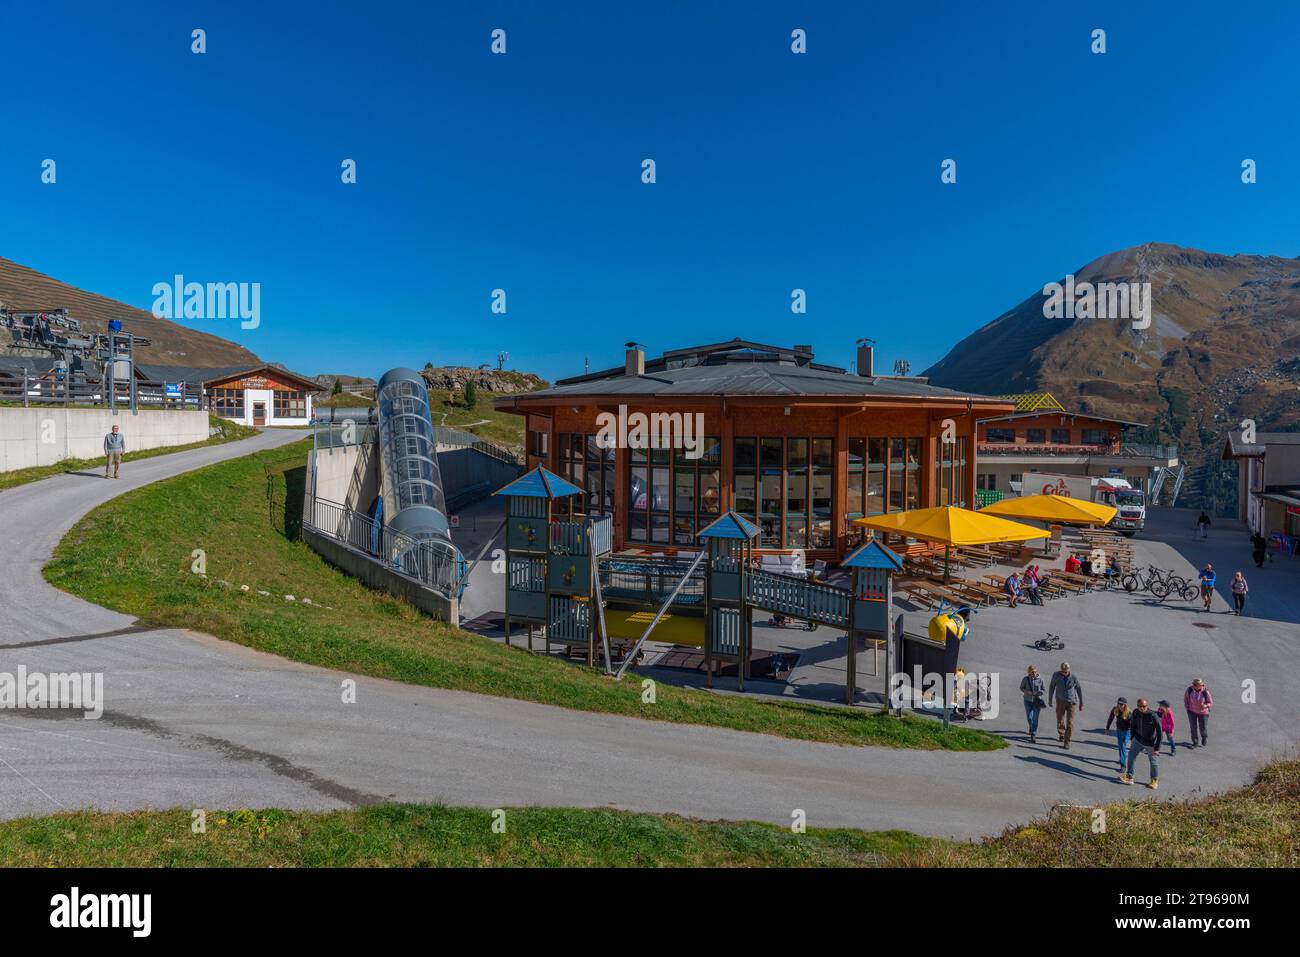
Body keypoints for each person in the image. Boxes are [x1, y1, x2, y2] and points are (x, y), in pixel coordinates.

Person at [1120, 697, 1161, 789]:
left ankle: (1154, 781)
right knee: (1131, 756)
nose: (1142, 708)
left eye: (1144, 706)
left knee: (1153, 762)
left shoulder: (1153, 716)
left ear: (1147, 706)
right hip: (1138, 740)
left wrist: (1157, 748)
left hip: (1150, 743)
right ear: (1137, 706)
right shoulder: (1135, 712)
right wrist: (1132, 737)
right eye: (1140, 706)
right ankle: (1130, 777)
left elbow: (1160, 732)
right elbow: (1133, 724)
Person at [1048, 661, 1083, 749]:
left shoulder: (1073, 677)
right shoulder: (1056, 675)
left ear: (1069, 670)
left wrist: (1081, 702)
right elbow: (1052, 686)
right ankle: (1061, 733)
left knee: (1070, 722)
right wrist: (1050, 699)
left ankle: (1067, 741)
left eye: (1066, 671)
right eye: (1063, 671)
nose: (1064, 673)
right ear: (1061, 670)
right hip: (1060, 701)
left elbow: (1078, 688)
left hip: (1072, 702)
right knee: (1060, 719)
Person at [1020, 665, 1046, 743]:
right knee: (1029, 717)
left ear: (1037, 671)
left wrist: (1038, 693)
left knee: (1035, 718)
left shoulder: (1041, 680)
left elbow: (1044, 690)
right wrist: (1027, 692)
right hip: (1027, 700)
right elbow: (1021, 687)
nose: (1033, 673)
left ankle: (1033, 734)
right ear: (1029, 672)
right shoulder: (1025, 679)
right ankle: (1031, 727)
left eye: (1035, 672)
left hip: (1037, 702)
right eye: (1032, 672)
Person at [1185, 678, 1213, 749]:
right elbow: (1186, 698)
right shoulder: (1190, 690)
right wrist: (1187, 708)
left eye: (1196, 685)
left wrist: (1205, 705)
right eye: (1194, 684)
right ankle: (1195, 742)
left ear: (1201, 685)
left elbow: (1210, 703)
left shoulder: (1205, 692)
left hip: (1203, 713)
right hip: (1191, 712)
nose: (1194, 686)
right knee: (1193, 727)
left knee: (1202, 727)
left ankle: (1204, 736)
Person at [1105, 696, 1132, 769]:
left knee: (1122, 746)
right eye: (1118, 703)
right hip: (1119, 730)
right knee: (1120, 746)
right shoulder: (1115, 709)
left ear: (1125, 705)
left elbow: (1133, 725)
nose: (1120, 705)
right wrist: (1107, 728)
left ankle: (1123, 766)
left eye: (1121, 704)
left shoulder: (1129, 713)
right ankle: (1121, 759)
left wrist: (1133, 736)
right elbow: (1110, 718)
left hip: (1127, 732)